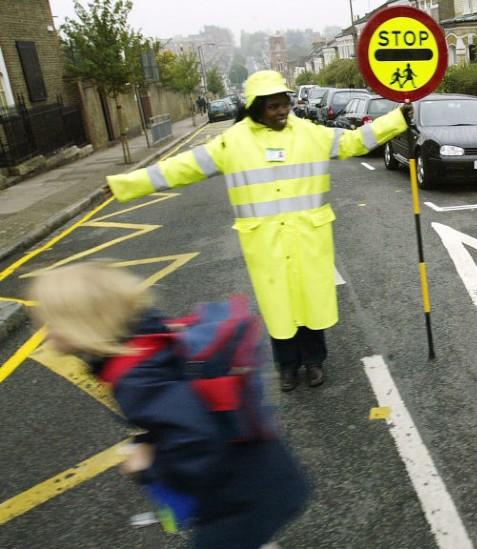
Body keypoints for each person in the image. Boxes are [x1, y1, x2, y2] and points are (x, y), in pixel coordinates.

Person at [106, 70, 412, 392]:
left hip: (308, 236)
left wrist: (397, 118)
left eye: (284, 105)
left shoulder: (309, 133)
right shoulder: (232, 143)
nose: (281, 112)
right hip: (266, 243)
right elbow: (180, 168)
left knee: (311, 303)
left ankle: (314, 362)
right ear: (256, 108)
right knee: (279, 308)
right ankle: (288, 368)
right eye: (273, 107)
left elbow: (354, 142)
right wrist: (126, 185)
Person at [28, 262, 310, 548]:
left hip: (243, 496)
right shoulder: (149, 336)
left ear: (81, 325)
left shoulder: (133, 376)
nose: (46, 334)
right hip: (262, 473)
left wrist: (149, 466)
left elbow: (198, 440)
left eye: (52, 323)